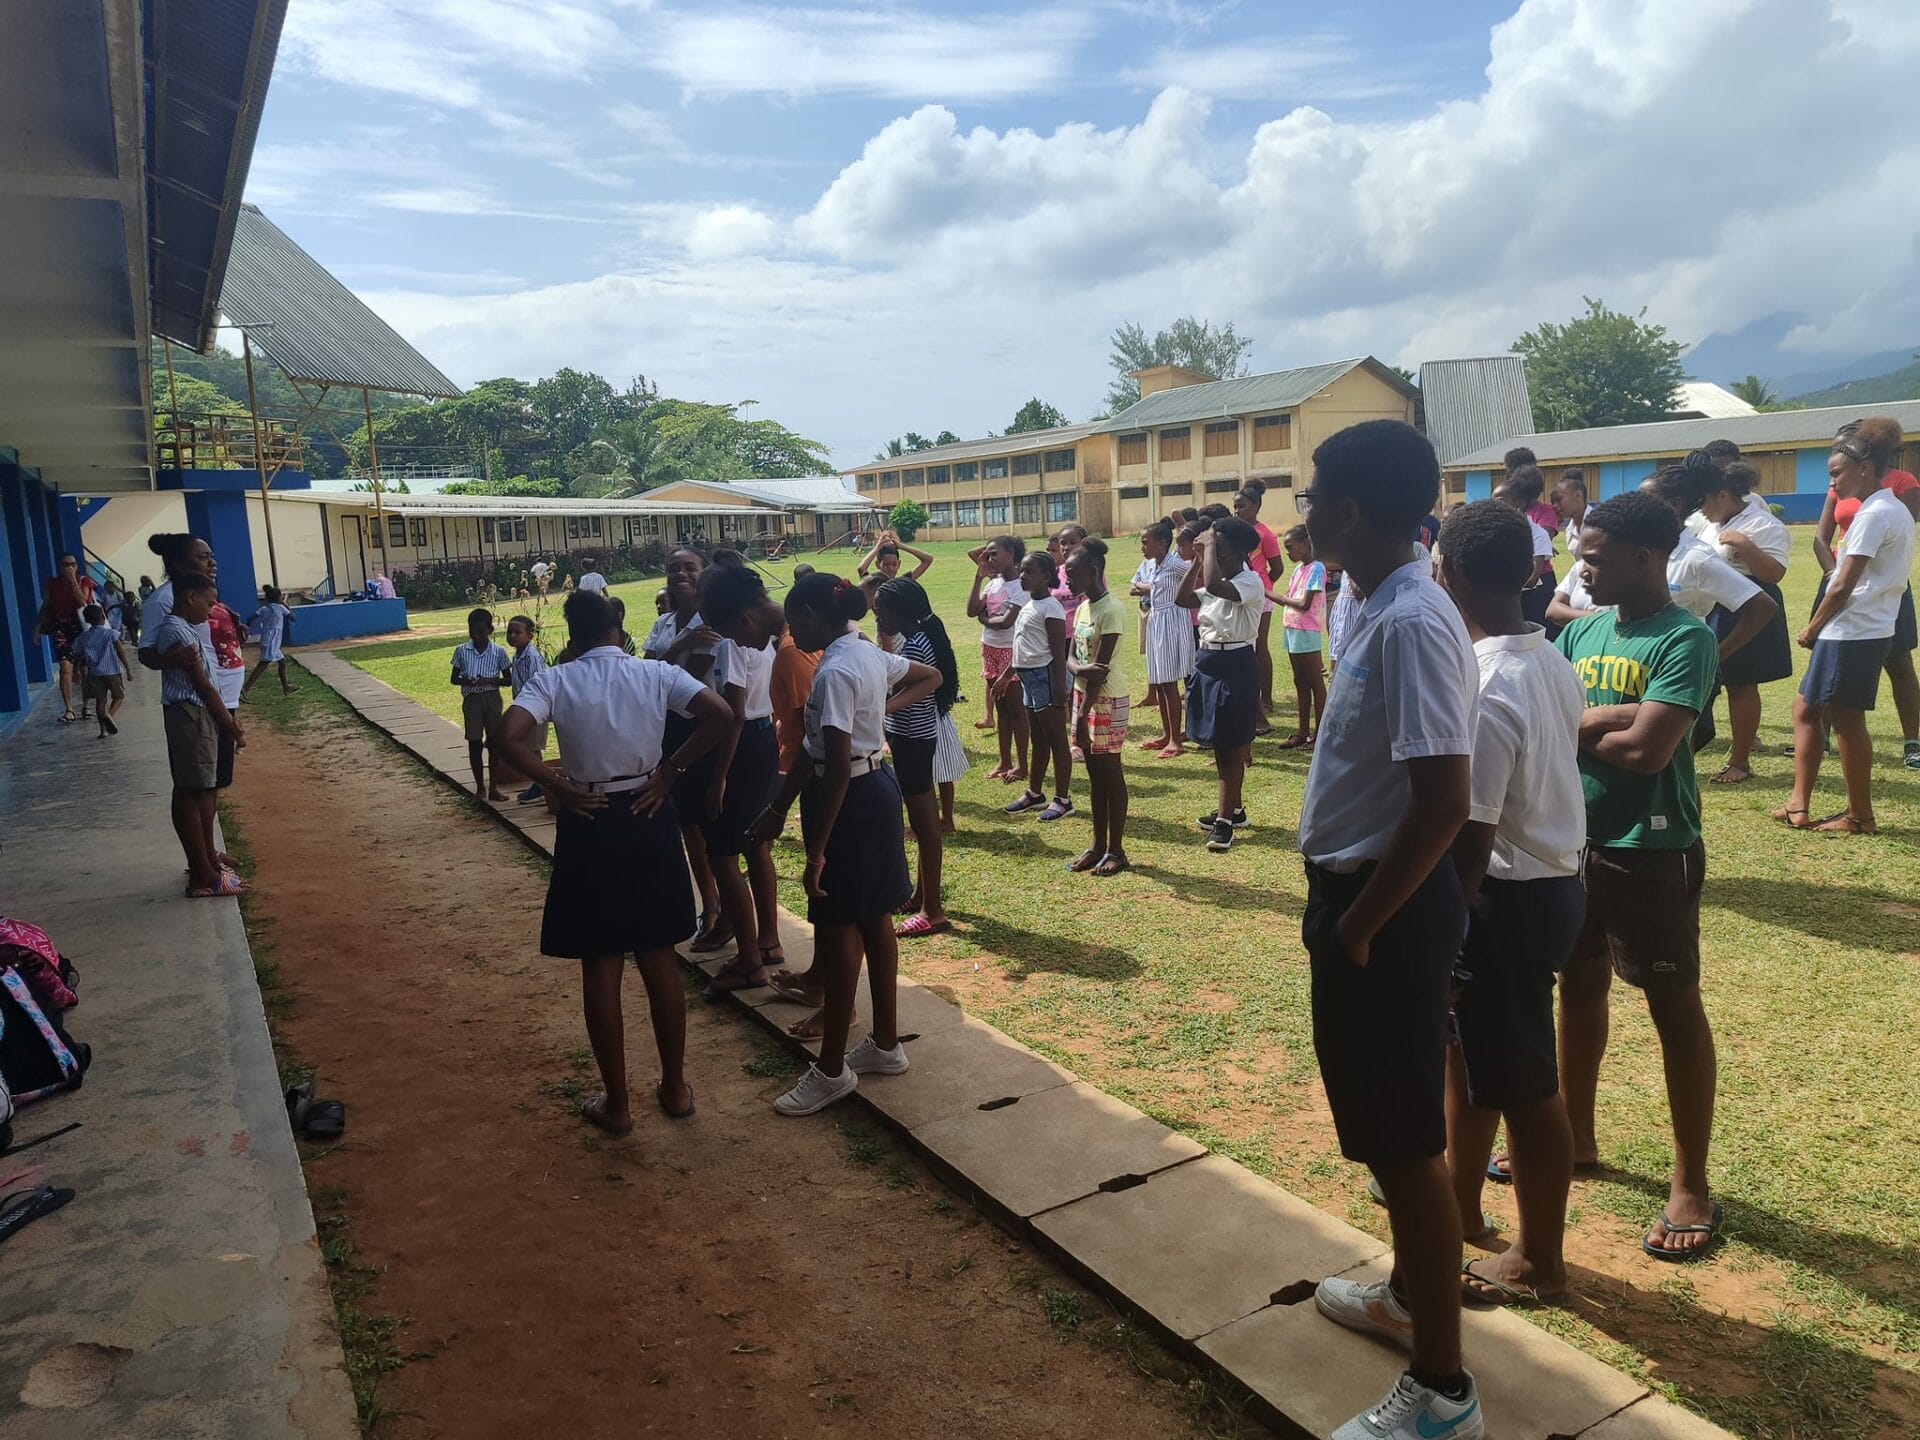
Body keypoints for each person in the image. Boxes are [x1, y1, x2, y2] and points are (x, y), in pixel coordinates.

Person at [1298, 421, 1482, 1440]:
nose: (1303, 511)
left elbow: (1444, 801)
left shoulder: (1413, 619)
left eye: (1314, 495)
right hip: (1357, 899)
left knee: (1405, 1140)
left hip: (1387, 910)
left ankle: (1444, 1394)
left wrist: (1361, 927)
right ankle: (1413, 1294)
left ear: (1353, 512)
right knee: (1383, 1126)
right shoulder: (1366, 598)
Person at [1554, 491, 1723, 1262]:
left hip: (1650, 848)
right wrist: (1611, 719)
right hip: (1573, 840)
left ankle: (1691, 1182)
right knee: (1576, 987)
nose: (1579, 567)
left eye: (1591, 554)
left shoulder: (1685, 639)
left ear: (1643, 558)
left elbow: (1650, 752)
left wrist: (1586, 721)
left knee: (1671, 1006)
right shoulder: (1582, 630)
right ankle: (1574, 1137)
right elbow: (1547, 719)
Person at [498, 588, 731, 1136]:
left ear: (572, 637)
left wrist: (556, 784)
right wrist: (671, 770)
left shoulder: (555, 680)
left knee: (601, 963)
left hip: (590, 814)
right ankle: (674, 1088)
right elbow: (719, 714)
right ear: (619, 631)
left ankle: (618, 1104)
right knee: (658, 957)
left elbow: (508, 738)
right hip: (648, 810)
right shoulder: (653, 674)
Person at [1434, 502, 1586, 1310]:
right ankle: (1460, 1209)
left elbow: (1470, 828)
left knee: (1527, 1087)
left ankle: (1540, 1261)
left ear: (1445, 574)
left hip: (1507, 897)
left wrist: (1447, 930)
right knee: (1476, 1064)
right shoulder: (1547, 655)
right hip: (1551, 881)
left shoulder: (1489, 682)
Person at [747, 574, 940, 1116]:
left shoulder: (834, 669)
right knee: (876, 919)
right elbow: (931, 675)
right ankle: (885, 1043)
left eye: (793, 618)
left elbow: (829, 768)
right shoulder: (867, 653)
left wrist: (815, 852)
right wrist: (879, 717)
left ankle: (831, 1069)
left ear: (811, 614)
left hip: (849, 799)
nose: (789, 628)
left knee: (836, 930)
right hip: (877, 787)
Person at [1780, 420, 1918, 834]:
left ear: (1863, 468)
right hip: (1862, 627)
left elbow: (1842, 582)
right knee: (1806, 709)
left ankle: (1860, 815)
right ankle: (1798, 804)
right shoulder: (1888, 509)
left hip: (1853, 629)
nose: (1833, 482)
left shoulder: (1875, 513)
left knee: (1846, 721)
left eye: (1836, 473)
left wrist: (1812, 628)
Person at [1640, 453, 1780, 754]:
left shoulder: (1696, 556)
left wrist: (1716, 654)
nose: (1638, 507)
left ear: (1674, 505)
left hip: (1680, 667)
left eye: (1646, 500)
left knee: (1675, 759)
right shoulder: (1645, 550)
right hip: (1644, 664)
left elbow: (1762, 606)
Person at [691, 567, 785, 997]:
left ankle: (750, 960)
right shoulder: (784, 628)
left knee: (723, 853)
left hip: (743, 744)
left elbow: (732, 714)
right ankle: (768, 941)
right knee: (756, 844)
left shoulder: (733, 643)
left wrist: (719, 775)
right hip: (767, 735)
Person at [1814, 417, 1920, 770]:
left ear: (1865, 461)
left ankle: (1912, 742)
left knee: (1899, 664)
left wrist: (1844, 582)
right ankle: (1820, 737)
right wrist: (1833, 574)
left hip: (1878, 587)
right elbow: (1821, 537)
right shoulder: (1842, 488)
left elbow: (1901, 536)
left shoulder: (1893, 492)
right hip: (1843, 580)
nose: (1833, 475)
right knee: (1826, 665)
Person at [139, 533, 244, 881]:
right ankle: (200, 864)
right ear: (180, 563)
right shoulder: (164, 602)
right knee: (191, 787)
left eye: (211, 556)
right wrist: (176, 659)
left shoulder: (202, 590)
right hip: (199, 704)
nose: (211, 562)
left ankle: (209, 852)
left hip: (219, 700)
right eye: (202, 557)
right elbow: (148, 653)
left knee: (210, 783)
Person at [644, 548, 726, 948]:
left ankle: (725, 905)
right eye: (673, 568)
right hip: (668, 730)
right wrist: (678, 646)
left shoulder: (710, 623)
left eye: (689, 567)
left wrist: (669, 658)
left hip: (703, 729)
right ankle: (709, 903)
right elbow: (647, 672)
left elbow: (683, 684)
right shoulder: (665, 623)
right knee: (688, 825)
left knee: (709, 824)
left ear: (703, 573)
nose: (680, 574)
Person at [1691, 462, 1791, 784]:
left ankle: (1740, 761)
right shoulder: (1710, 523)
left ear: (1723, 495)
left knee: (1741, 683)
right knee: (1705, 681)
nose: (1700, 507)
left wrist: (1745, 545)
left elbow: (1774, 574)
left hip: (1748, 606)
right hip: (1713, 605)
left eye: (1704, 499)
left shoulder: (1764, 524)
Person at [874, 576, 961, 935]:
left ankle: (933, 910)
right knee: (924, 824)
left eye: (881, 611)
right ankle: (920, 895)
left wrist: (885, 707)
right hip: (912, 738)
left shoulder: (916, 649)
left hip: (913, 741)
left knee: (926, 828)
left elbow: (925, 683)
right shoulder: (919, 640)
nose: (877, 617)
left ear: (899, 611)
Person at [1178, 517, 1265, 852]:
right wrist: (1198, 560)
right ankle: (1236, 810)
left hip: (1235, 664)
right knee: (1218, 742)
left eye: (1223, 550)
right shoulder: (1218, 580)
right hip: (1208, 662)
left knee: (1229, 746)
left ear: (1241, 552)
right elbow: (1184, 597)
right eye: (1218, 550)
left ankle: (1225, 823)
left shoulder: (1249, 582)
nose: (1219, 556)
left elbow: (1214, 586)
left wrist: (1210, 544)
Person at [1065, 539, 1130, 877]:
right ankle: (1098, 845)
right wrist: (1076, 670)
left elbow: (1100, 672)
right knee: (1094, 776)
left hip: (1104, 699)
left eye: (1073, 575)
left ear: (1093, 572)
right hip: (1082, 695)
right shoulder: (1082, 608)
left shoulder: (1111, 610)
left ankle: (1116, 850)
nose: (1068, 582)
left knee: (1110, 775)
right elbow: (1073, 657)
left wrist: (1078, 720)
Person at [998, 551, 1072, 820]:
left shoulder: (1051, 608)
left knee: (1057, 741)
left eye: (1030, 571)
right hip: (1028, 678)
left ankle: (1063, 799)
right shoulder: (1030, 604)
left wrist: (1060, 690)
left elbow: (1058, 652)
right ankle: (1035, 793)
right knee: (1038, 739)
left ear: (1047, 576)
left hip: (1045, 677)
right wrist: (1007, 675)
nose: (1022, 575)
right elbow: (1022, 647)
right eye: (1021, 570)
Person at [1133, 520, 1194, 757]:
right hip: (1156, 620)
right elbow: (1134, 584)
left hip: (1172, 621)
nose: (1142, 548)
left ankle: (1176, 740)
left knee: (1169, 684)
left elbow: (1195, 575)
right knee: (1158, 681)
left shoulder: (1175, 564)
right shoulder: (1153, 565)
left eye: (1146, 543)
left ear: (1162, 543)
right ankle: (1166, 734)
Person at [967, 536, 1028, 773]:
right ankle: (1005, 761)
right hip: (989, 648)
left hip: (1010, 651)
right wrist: (978, 576)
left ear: (1011, 554)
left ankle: (1022, 765)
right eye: (988, 554)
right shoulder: (992, 583)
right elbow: (972, 610)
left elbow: (1005, 623)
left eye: (994, 554)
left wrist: (984, 619)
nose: (989, 558)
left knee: (1016, 709)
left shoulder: (1021, 586)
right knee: (1001, 708)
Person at [1232, 482, 1286, 726]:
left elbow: (1277, 568)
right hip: (1239, 593)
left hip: (1260, 596)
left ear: (1255, 506)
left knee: (1259, 646)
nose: (1237, 511)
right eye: (1234, 507)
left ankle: (1266, 699)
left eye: (1241, 506)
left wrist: (1263, 587)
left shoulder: (1265, 534)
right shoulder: (1235, 531)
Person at [451, 608, 513, 802]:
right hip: (472, 701)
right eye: (472, 631)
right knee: (474, 742)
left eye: (480, 631)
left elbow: (508, 680)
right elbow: (454, 678)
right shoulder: (462, 650)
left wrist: (489, 680)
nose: (476, 636)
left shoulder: (498, 652)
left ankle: (494, 787)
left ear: (490, 630)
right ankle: (480, 788)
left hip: (492, 698)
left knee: (494, 742)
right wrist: (468, 681)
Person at [1276, 525, 1327, 749]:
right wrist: (1286, 599)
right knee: (1300, 681)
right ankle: (1302, 731)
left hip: (1307, 630)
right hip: (1292, 628)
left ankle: (1320, 734)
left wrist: (1273, 596)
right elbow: (1292, 596)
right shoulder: (1298, 570)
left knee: (1315, 682)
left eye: (1290, 547)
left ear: (1306, 544)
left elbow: (1304, 604)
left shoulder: (1317, 568)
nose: (1288, 553)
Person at [37, 553, 95, 723]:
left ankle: (86, 705)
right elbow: (46, 606)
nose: (69, 567)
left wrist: (72, 582)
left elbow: (82, 602)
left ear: (77, 566)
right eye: (65, 565)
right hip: (61, 626)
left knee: (84, 669)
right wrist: (38, 625)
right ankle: (69, 709)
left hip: (81, 627)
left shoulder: (83, 581)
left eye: (72, 564)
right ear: (59, 567)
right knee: (65, 668)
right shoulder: (52, 584)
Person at [1494, 473, 1556, 628]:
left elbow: (1534, 577)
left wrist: (1502, 589)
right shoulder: (1494, 534)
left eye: (1500, 502)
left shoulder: (1538, 534)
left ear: (1518, 504)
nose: (1495, 507)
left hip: (1534, 596)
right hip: (1508, 597)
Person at [506, 615, 548, 803]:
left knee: (533, 748)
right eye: (510, 632)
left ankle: (541, 785)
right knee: (529, 747)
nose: (513, 635)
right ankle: (537, 782)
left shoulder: (531, 657)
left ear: (530, 635)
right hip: (525, 707)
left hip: (535, 708)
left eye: (517, 632)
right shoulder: (519, 655)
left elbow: (535, 686)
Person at [77, 604, 128, 738]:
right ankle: (109, 715)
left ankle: (102, 730)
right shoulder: (110, 633)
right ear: (104, 617)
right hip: (112, 671)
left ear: (87, 620)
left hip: (94, 673)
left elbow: (78, 655)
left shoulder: (83, 637)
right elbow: (120, 651)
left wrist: (78, 671)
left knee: (101, 701)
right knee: (119, 696)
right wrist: (128, 669)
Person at [242, 586, 298, 698]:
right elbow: (293, 618)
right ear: (278, 598)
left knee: (282, 662)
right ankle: (244, 690)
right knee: (262, 665)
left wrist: (247, 630)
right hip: (272, 641)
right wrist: (284, 604)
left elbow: (250, 618)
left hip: (267, 638)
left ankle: (286, 687)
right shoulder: (280, 608)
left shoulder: (263, 609)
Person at [857, 531, 933, 582]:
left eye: (894, 564)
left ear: (899, 564)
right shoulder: (873, 584)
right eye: (886, 564)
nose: (891, 568)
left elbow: (928, 560)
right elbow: (861, 568)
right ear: (878, 565)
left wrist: (902, 546)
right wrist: (877, 548)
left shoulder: (902, 582)